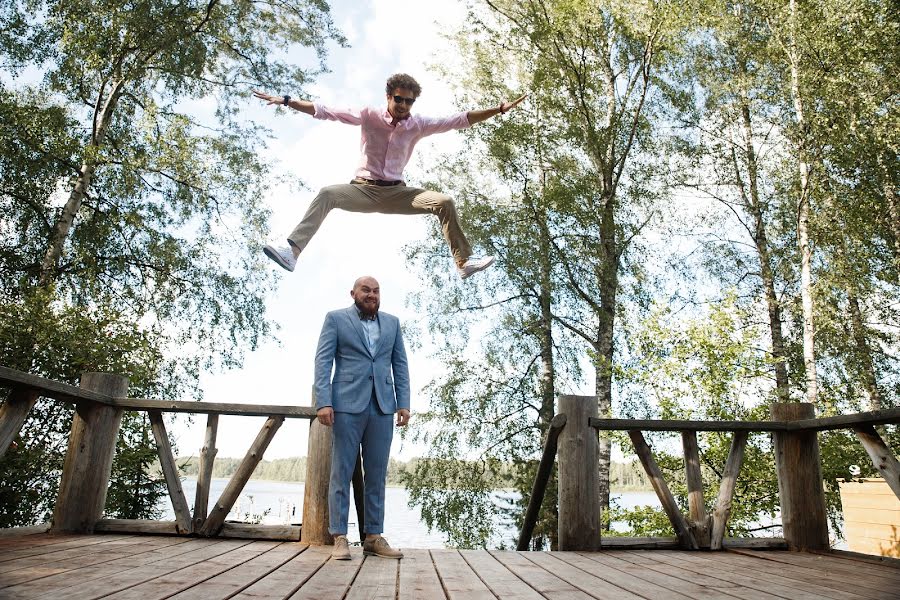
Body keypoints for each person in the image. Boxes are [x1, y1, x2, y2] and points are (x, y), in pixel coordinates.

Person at [253, 73, 526, 279]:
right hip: (363, 190)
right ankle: (293, 252)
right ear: (388, 96)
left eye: (409, 101)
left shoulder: (419, 125)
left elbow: (458, 120)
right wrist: (288, 101)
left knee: (444, 202)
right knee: (327, 194)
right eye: (399, 99)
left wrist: (497, 110)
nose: (403, 105)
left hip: (397, 193)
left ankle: (463, 263)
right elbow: (325, 111)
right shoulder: (369, 115)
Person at [313, 275, 410, 560]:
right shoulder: (335, 319)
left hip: (382, 405)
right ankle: (339, 537)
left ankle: (373, 537)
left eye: (376, 290)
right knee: (341, 472)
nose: (372, 294)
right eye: (366, 290)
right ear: (353, 293)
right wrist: (323, 401)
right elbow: (323, 361)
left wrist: (403, 402)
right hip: (345, 405)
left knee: (377, 474)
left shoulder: (392, 323)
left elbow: (400, 363)